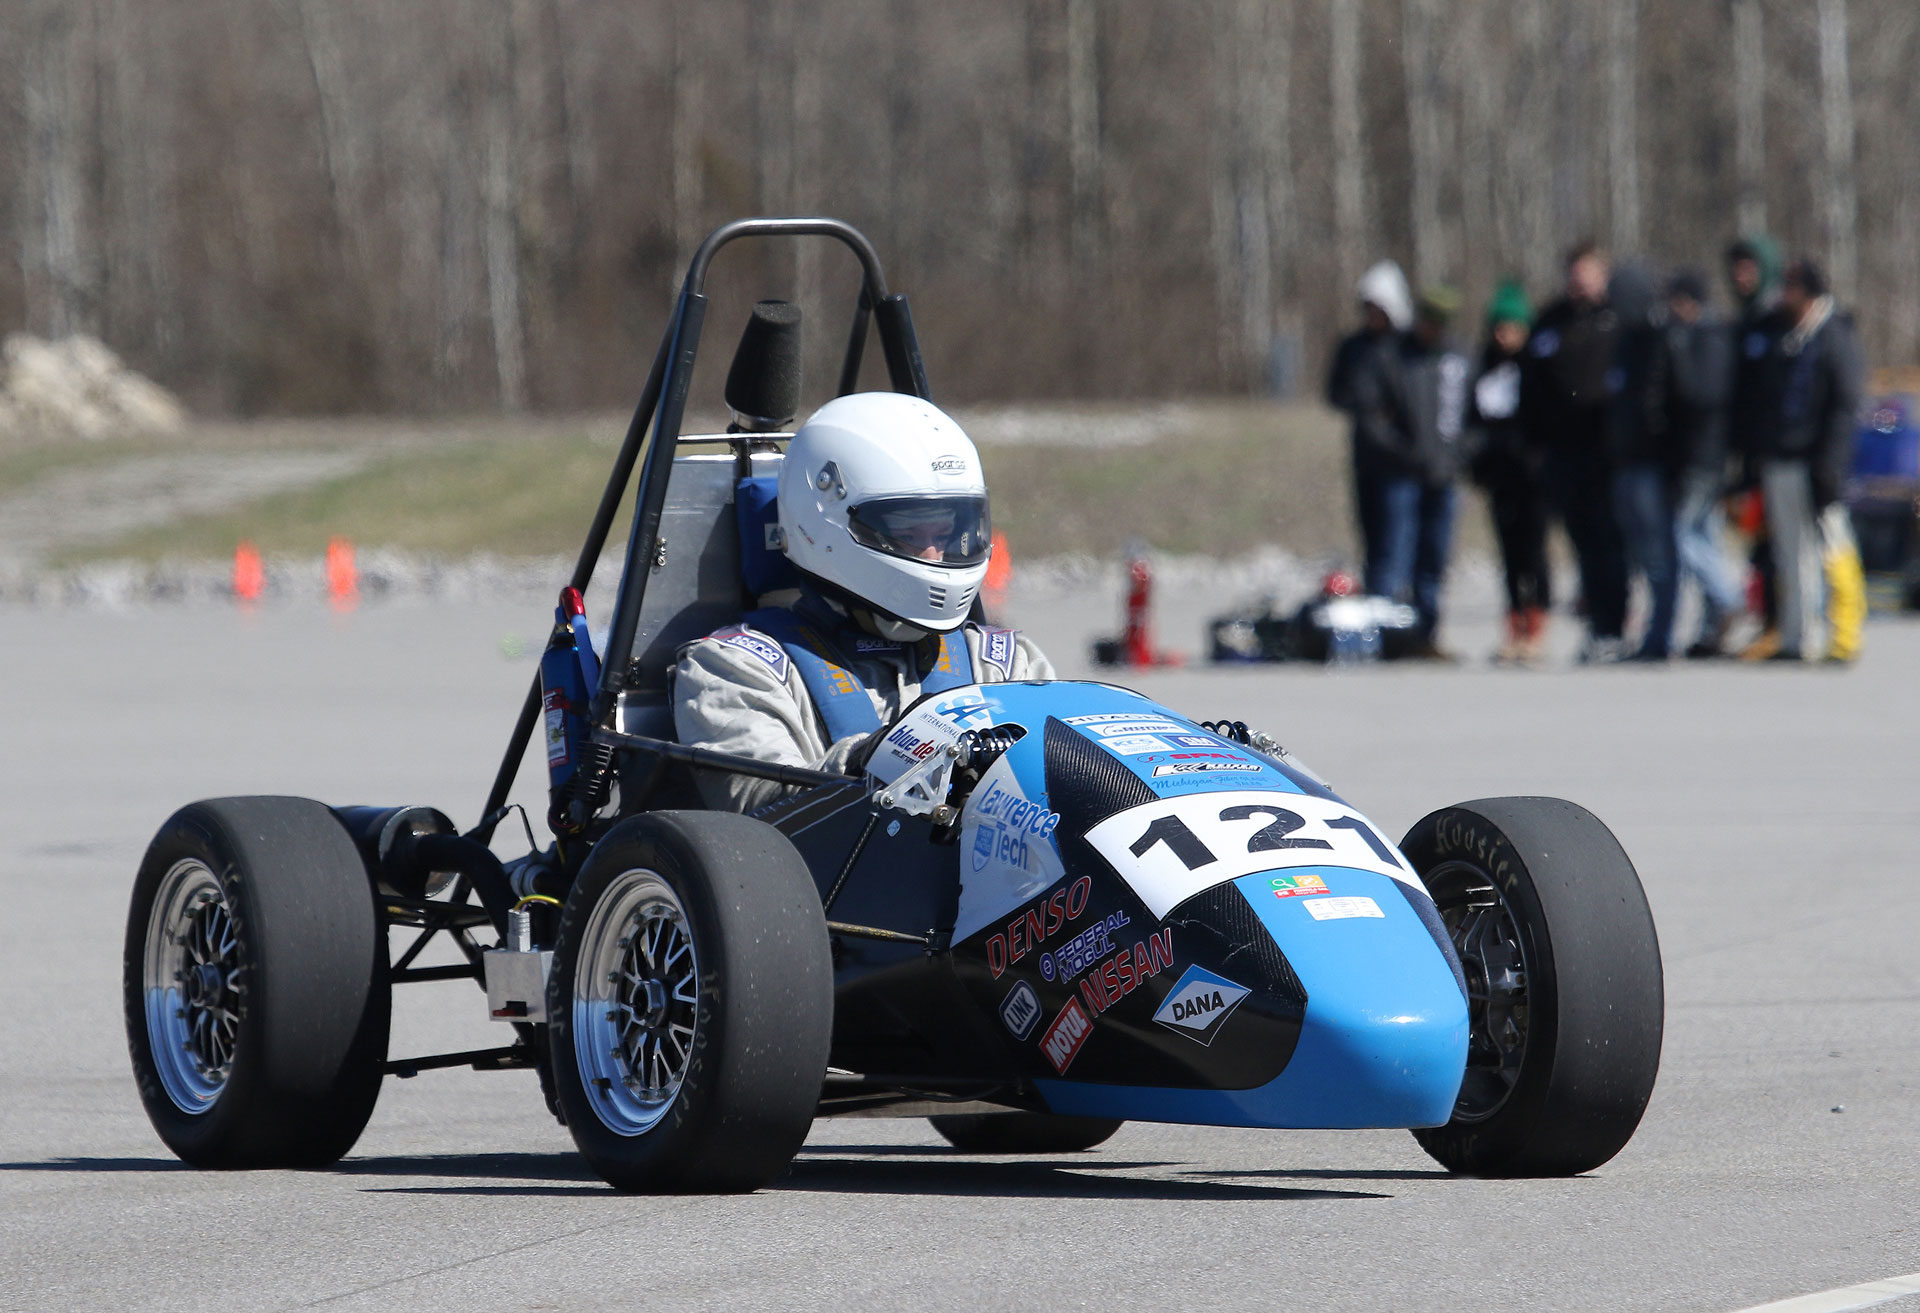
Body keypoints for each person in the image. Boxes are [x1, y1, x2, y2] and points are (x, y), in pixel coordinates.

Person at [672, 392, 1052, 812]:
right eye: (909, 533)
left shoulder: (1004, 662)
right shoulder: (735, 668)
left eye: (945, 534)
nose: (935, 556)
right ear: (826, 526)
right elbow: (758, 819)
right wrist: (875, 757)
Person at [1339, 285, 1471, 656]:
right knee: (1391, 554)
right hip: (1399, 474)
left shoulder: (1459, 358)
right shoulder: (1390, 356)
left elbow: (1472, 414)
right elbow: (1370, 418)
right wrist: (1405, 454)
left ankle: (1424, 636)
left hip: (1443, 476)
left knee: (1434, 559)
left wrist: (1460, 455)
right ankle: (1380, 637)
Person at [1751, 258, 1865, 663]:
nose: (1785, 295)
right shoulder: (1784, 334)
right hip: (1783, 458)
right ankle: (1798, 636)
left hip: (1821, 461)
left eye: (1792, 289)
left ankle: (1845, 635)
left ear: (1811, 293)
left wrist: (1832, 462)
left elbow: (1845, 405)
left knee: (1833, 544)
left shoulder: (1835, 335)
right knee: (1790, 551)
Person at [1523, 241, 1630, 662]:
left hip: (1606, 451)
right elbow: (1529, 387)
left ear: (1603, 275)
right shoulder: (1551, 321)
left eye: (1585, 274)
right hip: (1561, 453)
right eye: (1572, 274)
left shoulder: (1619, 320)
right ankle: (1596, 626)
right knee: (1583, 543)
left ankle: (1614, 626)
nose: (1577, 283)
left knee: (1610, 543)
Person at [1468, 279, 1552, 664]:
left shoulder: (1537, 366)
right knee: (1509, 554)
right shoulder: (1482, 366)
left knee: (1534, 552)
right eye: (1499, 327)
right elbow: (1472, 422)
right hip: (1499, 475)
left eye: (1512, 327)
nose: (1504, 335)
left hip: (1533, 476)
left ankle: (1536, 625)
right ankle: (1513, 625)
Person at [1659, 270, 1742, 658]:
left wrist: (1675, 356)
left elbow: (1701, 394)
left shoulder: (1709, 338)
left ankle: (1729, 598)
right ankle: (1712, 627)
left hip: (1704, 458)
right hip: (1697, 456)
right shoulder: (1701, 337)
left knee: (1682, 535)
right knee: (1705, 536)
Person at [1607, 261, 1682, 660]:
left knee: (1660, 557)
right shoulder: (1626, 341)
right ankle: (1652, 633)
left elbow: (1668, 405)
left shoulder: (1660, 337)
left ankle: (1661, 637)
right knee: (1642, 556)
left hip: (1651, 466)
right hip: (1627, 464)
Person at [1725, 235, 1787, 659]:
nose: (1741, 275)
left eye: (1749, 266)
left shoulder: (1777, 318)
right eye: (1736, 267)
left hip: (1779, 450)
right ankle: (1767, 622)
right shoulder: (1745, 321)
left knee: (1779, 545)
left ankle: (1781, 625)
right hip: (1751, 452)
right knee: (1758, 543)